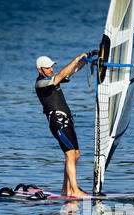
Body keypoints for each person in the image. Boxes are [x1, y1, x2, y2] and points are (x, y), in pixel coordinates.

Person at [35, 54, 88, 198]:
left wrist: (87, 59)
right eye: (48, 67)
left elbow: (71, 71)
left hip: (67, 121)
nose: (51, 69)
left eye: (52, 66)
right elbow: (62, 73)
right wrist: (77, 58)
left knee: (76, 154)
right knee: (69, 154)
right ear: (40, 70)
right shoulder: (41, 83)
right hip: (57, 123)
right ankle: (75, 190)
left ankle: (66, 190)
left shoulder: (53, 79)